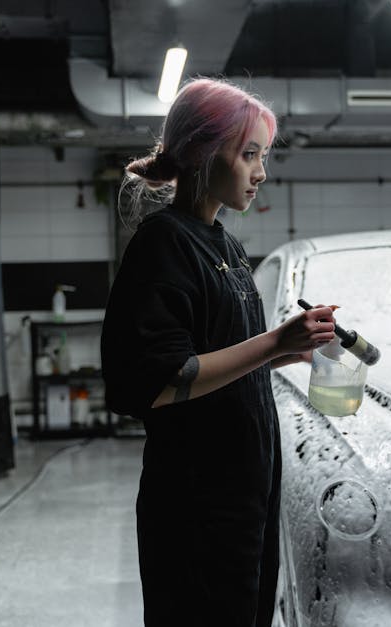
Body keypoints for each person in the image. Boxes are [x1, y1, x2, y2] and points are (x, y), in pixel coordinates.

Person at [101, 78, 337, 627]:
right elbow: (159, 379)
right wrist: (274, 341)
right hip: (196, 505)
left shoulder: (224, 243)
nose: (261, 172)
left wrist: (288, 353)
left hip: (245, 496)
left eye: (264, 156)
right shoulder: (164, 242)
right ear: (203, 153)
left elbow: (219, 356)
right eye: (249, 154)